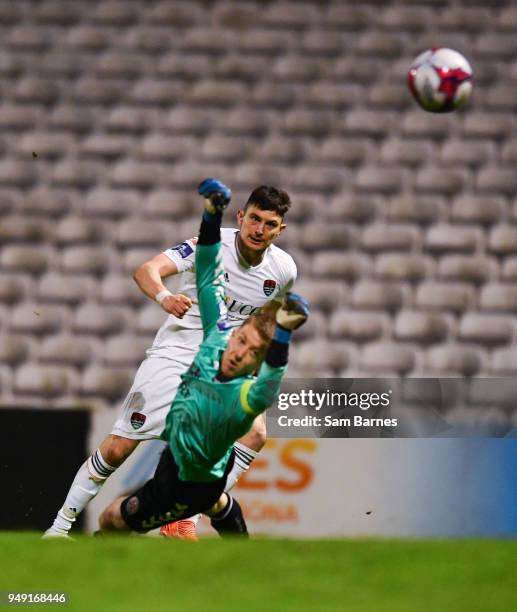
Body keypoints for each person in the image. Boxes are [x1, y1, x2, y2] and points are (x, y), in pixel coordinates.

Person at [44, 179, 297, 539]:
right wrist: (165, 297)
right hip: (178, 353)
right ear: (241, 216)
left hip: (228, 363)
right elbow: (146, 270)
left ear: (280, 229)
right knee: (120, 446)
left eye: (269, 224)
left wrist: (254, 359)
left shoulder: (284, 270)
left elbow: (266, 320)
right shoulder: (209, 247)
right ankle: (60, 527)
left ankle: (186, 517)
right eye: (254, 219)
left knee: (255, 434)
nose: (259, 230)